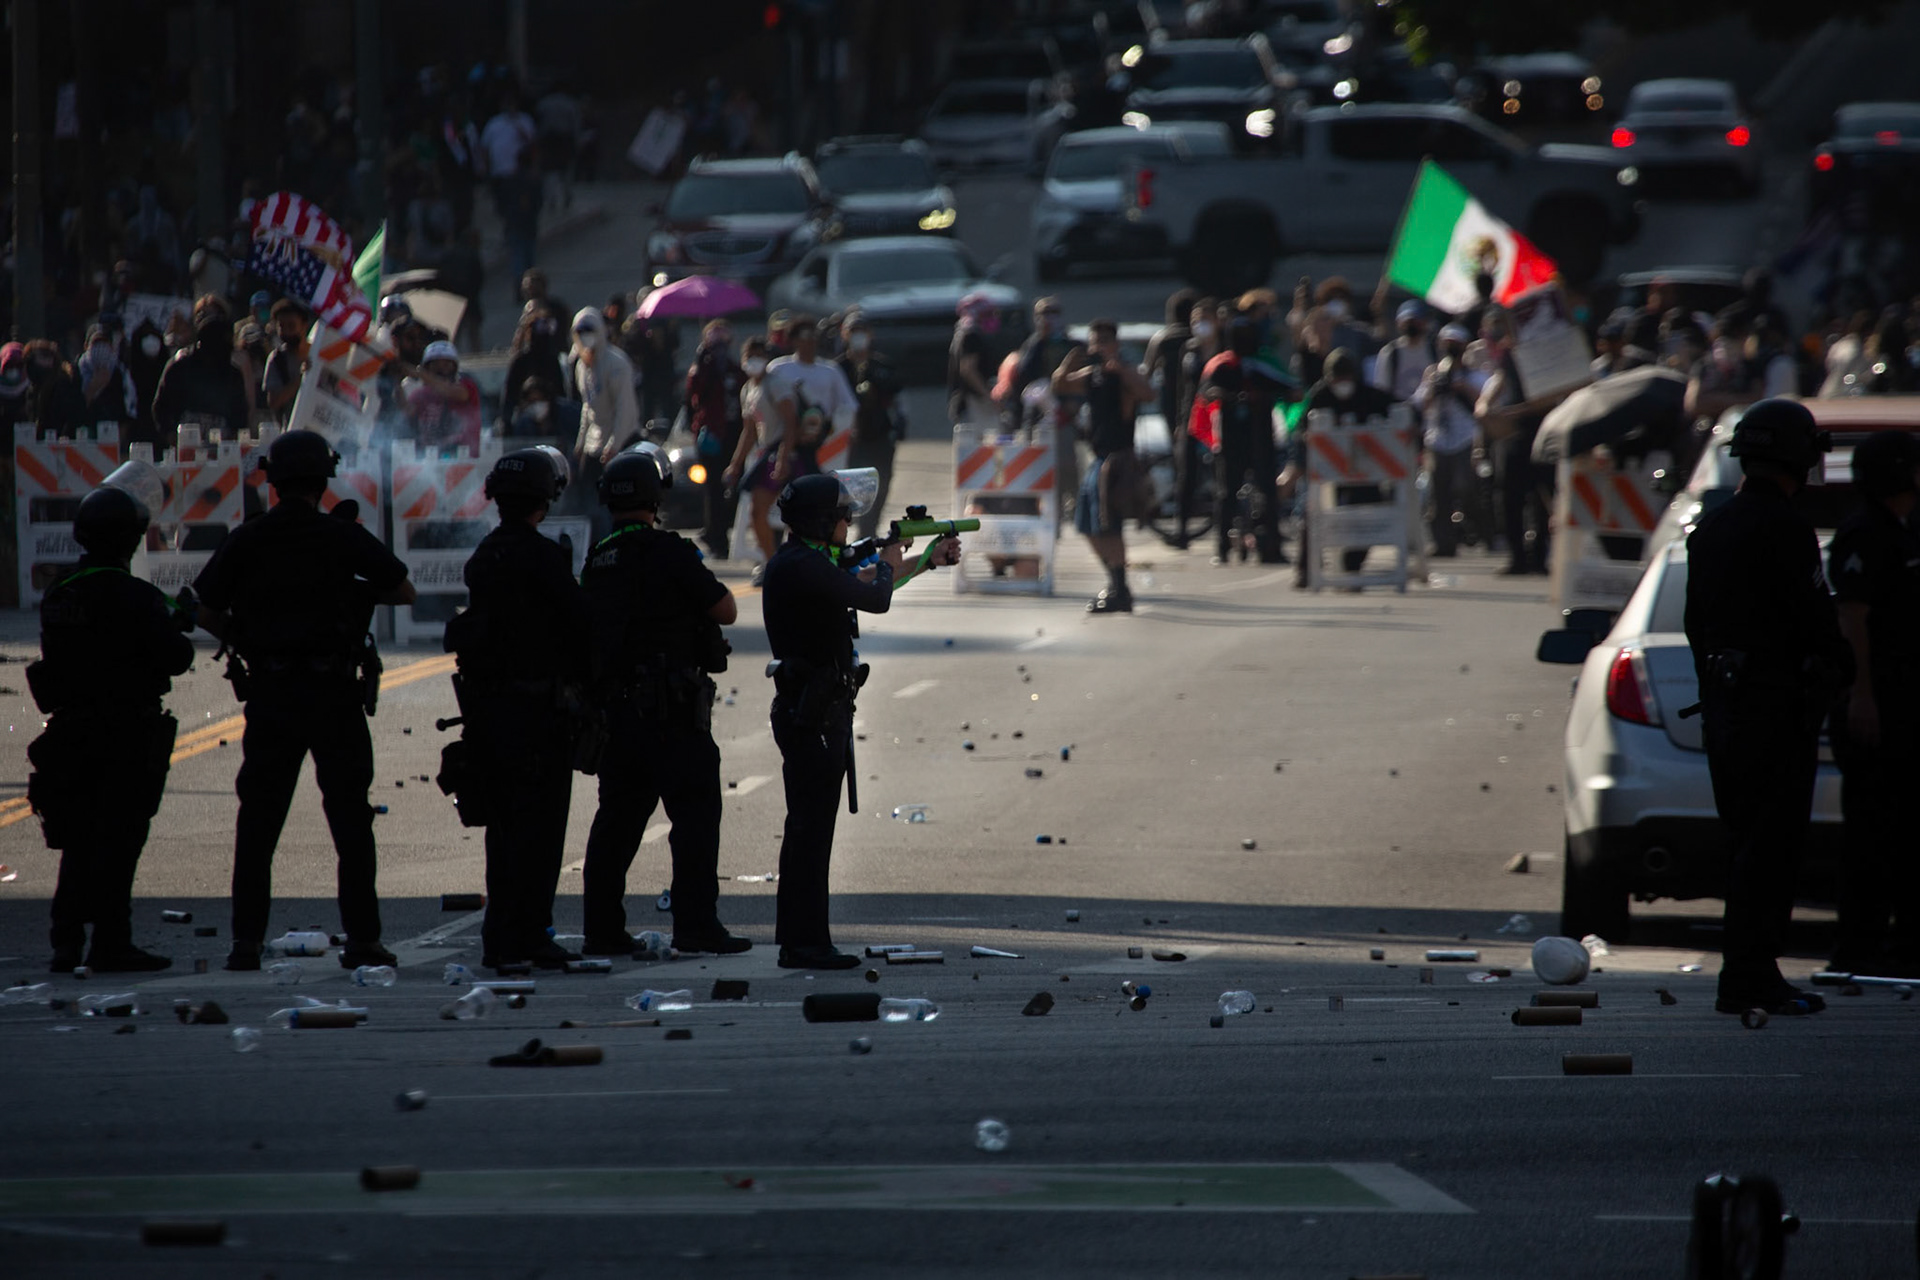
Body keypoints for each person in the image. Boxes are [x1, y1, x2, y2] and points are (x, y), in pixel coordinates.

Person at [192, 430, 417, 972]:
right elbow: (403, 589)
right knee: (350, 823)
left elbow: (203, 609)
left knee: (258, 825)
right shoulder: (340, 537)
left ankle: (245, 943)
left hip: (272, 694)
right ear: (323, 481)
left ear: (274, 483)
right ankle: (363, 940)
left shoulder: (250, 539)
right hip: (332, 695)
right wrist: (356, 593)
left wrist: (245, 635)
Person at [1683, 399, 1852, 1016]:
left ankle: (1747, 973)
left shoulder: (1712, 529)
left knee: (1744, 843)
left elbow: (1696, 625)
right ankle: (1752, 977)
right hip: (1775, 710)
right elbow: (1815, 621)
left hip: (1728, 708)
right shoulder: (1785, 528)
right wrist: (1835, 668)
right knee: (1772, 848)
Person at [762, 471, 961, 967]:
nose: (849, 522)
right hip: (810, 715)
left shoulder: (807, 561)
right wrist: (892, 564)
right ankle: (806, 944)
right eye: (842, 515)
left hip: (816, 710)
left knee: (808, 831)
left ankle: (799, 938)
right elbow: (875, 595)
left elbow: (859, 580)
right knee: (810, 834)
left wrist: (925, 560)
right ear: (819, 522)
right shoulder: (800, 566)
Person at [579, 447, 750, 956]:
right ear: (656, 498)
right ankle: (696, 926)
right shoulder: (671, 551)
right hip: (673, 713)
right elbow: (726, 609)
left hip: (617, 715)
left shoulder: (597, 559)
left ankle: (602, 932)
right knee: (695, 819)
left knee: (615, 826)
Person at [30, 468, 195, 972]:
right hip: (123, 732)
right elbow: (176, 657)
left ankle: (66, 941)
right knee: (119, 841)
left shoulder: (63, 593)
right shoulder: (136, 595)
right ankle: (110, 941)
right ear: (128, 539)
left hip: (72, 731)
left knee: (77, 839)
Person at [451, 447, 591, 972]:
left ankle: (501, 937)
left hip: (491, 713)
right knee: (538, 828)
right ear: (545, 497)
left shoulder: (485, 555)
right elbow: (580, 623)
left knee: (503, 828)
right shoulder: (542, 557)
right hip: (535, 715)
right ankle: (526, 935)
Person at [1824, 429, 1920, 977]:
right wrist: (1862, 695)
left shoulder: (1908, 531)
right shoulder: (1865, 534)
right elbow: (1853, 617)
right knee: (1870, 831)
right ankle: (1856, 948)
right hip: (1877, 707)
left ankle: (1904, 947)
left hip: (1905, 706)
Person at [1054, 319, 1156, 611]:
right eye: (1093, 341)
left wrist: (1119, 366)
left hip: (1117, 459)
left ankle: (1121, 590)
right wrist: (1069, 361)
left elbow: (1148, 393)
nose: (1097, 347)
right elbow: (1060, 383)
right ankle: (1115, 581)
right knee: (1086, 524)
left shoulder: (1123, 374)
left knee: (1110, 528)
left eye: (1103, 342)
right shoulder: (1093, 374)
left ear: (1115, 344)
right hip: (1097, 459)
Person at [1296, 347, 1397, 581]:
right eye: (1336, 379)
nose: (1342, 384)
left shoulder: (1369, 396)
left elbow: (1402, 411)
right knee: (1311, 511)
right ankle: (1306, 571)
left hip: (1364, 471)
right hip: (1326, 472)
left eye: (1346, 378)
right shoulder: (1320, 396)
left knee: (1370, 510)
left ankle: (1351, 565)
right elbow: (1301, 431)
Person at [1201, 318, 1289, 570]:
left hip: (1260, 439)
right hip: (1230, 441)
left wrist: (1264, 396)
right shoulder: (1221, 365)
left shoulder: (1262, 364)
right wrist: (1226, 397)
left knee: (1267, 493)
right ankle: (1222, 546)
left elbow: (1289, 387)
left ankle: (1271, 545)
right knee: (1226, 494)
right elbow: (1207, 391)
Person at [1475, 309, 1553, 575]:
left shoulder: (1541, 350)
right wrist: (1484, 404)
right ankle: (1517, 558)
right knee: (1508, 497)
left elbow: (1548, 397)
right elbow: (1501, 378)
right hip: (1514, 434)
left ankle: (1540, 557)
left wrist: (1509, 413)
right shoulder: (1508, 352)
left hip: (1543, 429)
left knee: (1543, 498)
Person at [1410, 323, 1484, 558]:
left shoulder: (1474, 375)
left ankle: (1475, 529)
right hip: (1438, 440)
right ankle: (1443, 543)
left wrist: (1463, 388)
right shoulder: (1432, 373)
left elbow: (1485, 403)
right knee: (1437, 494)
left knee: (1465, 487)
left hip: (1465, 439)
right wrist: (1434, 387)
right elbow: (1420, 404)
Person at [568, 307, 641, 528]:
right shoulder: (581, 366)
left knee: (620, 502)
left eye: (590, 331)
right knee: (589, 499)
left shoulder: (616, 363)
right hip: (595, 442)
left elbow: (624, 408)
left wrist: (614, 444)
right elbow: (587, 407)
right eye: (580, 332)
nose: (585, 337)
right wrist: (581, 443)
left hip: (621, 441)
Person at [835, 314, 904, 540]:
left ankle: (868, 529)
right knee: (849, 486)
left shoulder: (883, 366)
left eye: (862, 331)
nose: (858, 337)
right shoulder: (836, 369)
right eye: (853, 331)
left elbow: (897, 397)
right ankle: (843, 528)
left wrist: (900, 423)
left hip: (879, 435)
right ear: (844, 335)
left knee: (879, 482)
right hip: (848, 440)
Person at [152, 296, 250, 449]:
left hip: (222, 450)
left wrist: (233, 438)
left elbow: (241, 413)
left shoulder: (233, 373)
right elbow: (161, 407)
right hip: (185, 445)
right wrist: (169, 433)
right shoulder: (180, 367)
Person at [684, 319, 746, 556]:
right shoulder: (701, 371)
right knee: (712, 487)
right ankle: (716, 536)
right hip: (710, 435)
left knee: (730, 486)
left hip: (732, 434)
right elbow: (693, 400)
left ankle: (721, 529)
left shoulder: (734, 370)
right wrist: (703, 366)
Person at [722, 337, 784, 572]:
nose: (755, 360)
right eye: (750, 355)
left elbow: (791, 422)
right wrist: (735, 464)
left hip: (784, 453)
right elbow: (749, 431)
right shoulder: (748, 389)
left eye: (760, 355)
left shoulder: (776, 385)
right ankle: (772, 562)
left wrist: (784, 458)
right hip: (766, 453)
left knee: (796, 514)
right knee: (757, 512)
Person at [402, 339, 484, 453]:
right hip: (429, 458)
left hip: (463, 456)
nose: (441, 368)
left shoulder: (466, 385)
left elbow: (455, 393)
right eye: (435, 364)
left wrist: (421, 374)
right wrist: (395, 382)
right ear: (428, 368)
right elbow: (406, 412)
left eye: (446, 364)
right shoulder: (420, 394)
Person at [948, 292, 1000, 427]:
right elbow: (968, 369)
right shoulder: (971, 335)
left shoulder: (962, 333)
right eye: (987, 314)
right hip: (974, 402)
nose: (992, 318)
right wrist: (988, 396)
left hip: (968, 400)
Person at [74, 325, 139, 431]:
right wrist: (92, 388)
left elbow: (128, 408)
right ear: (86, 347)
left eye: (104, 344)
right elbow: (72, 410)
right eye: (96, 344)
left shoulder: (120, 373)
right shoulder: (77, 372)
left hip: (112, 433)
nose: (100, 349)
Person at [1371, 301, 1433, 404]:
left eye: (1415, 321)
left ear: (1425, 322)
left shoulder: (1433, 350)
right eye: (1407, 321)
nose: (1411, 325)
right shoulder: (1390, 352)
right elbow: (1381, 387)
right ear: (1398, 323)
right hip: (1398, 411)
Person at [260, 300, 311, 425]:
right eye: (282, 326)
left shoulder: (319, 355)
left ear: (304, 326)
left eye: (292, 326)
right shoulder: (277, 360)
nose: (287, 332)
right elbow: (273, 402)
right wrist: (301, 379)